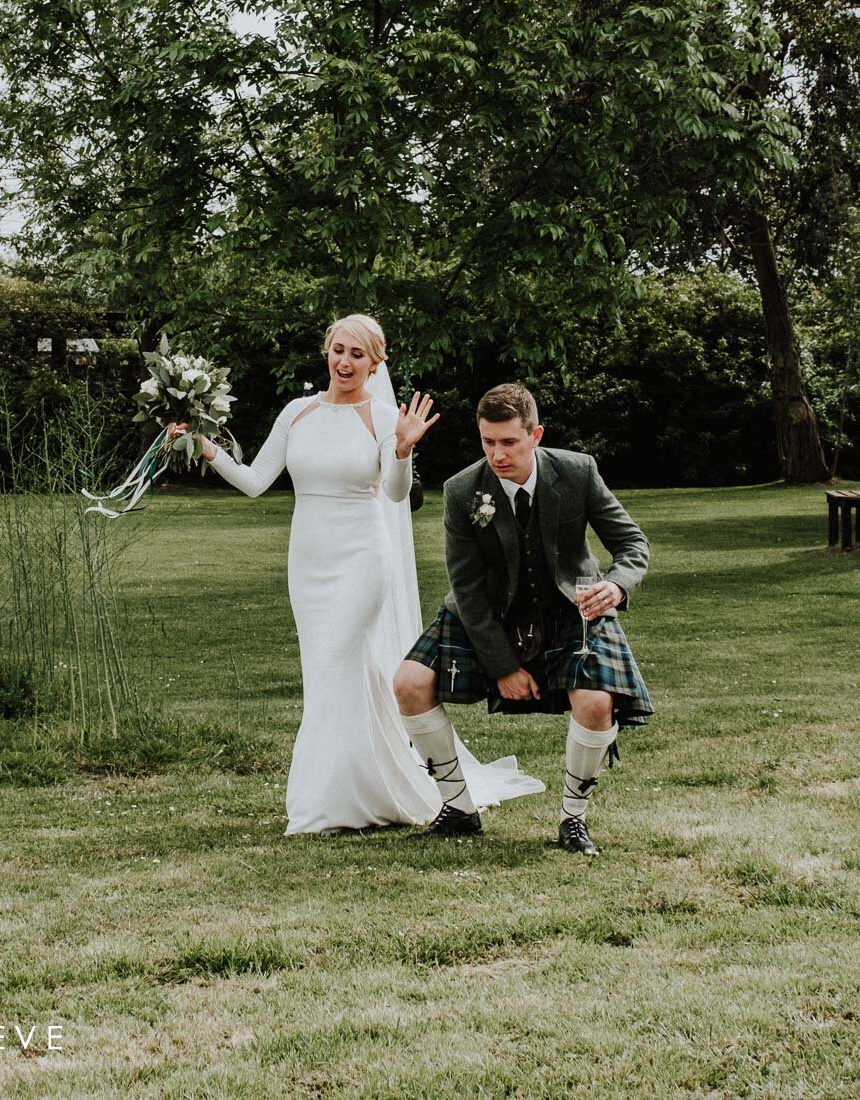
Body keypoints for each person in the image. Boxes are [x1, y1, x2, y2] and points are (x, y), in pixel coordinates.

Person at [179, 315, 543, 835]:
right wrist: (204, 446)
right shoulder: (296, 413)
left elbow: (395, 494)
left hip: (362, 560)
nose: (345, 363)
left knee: (337, 664)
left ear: (375, 363)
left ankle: (323, 804)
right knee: (334, 675)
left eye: (358, 355)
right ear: (327, 352)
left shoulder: (381, 417)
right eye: (339, 350)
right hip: (309, 562)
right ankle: (370, 785)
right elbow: (256, 481)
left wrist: (402, 449)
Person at [392, 383, 652, 856]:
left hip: (569, 607)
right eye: (488, 442)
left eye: (508, 442)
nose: (497, 454)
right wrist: (502, 666)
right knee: (409, 683)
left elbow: (633, 545)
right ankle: (458, 809)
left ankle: (573, 819)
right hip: (490, 612)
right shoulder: (462, 490)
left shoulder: (577, 472)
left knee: (595, 703)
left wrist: (616, 585)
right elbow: (466, 588)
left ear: (535, 434)